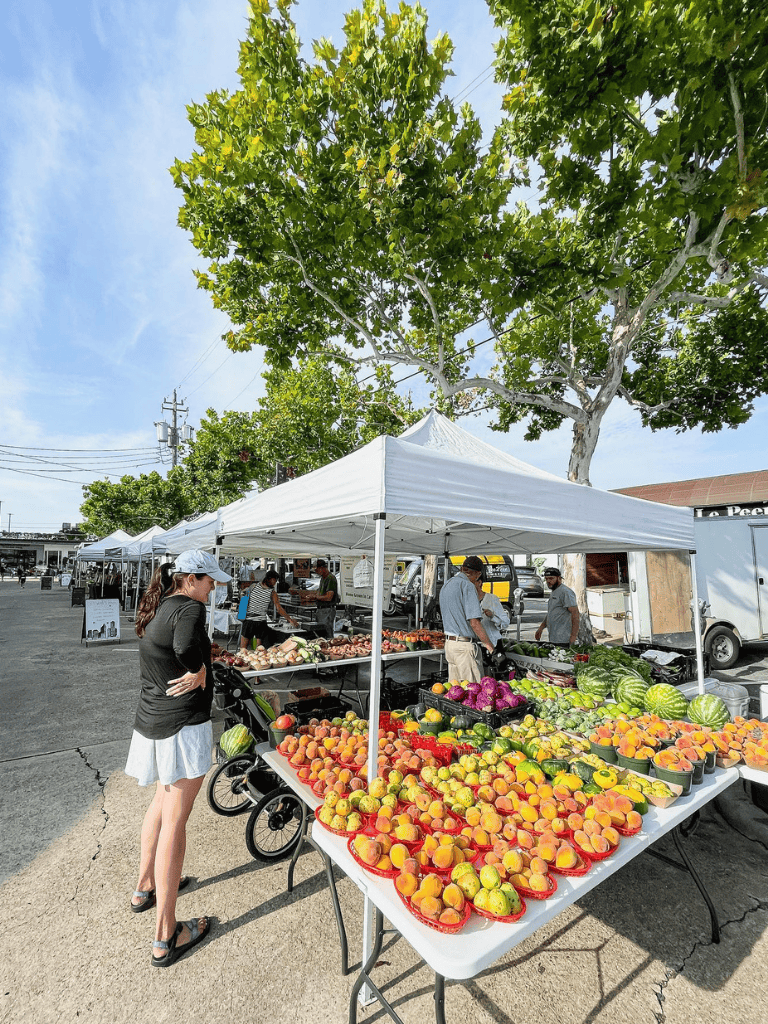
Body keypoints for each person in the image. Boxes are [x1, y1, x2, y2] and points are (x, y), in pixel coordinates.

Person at [125, 548, 232, 967]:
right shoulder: (190, 608)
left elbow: (170, 647)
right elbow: (185, 645)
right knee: (175, 821)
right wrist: (200, 668)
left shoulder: (160, 605)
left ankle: (144, 886)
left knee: (160, 802)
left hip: (152, 720)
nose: (213, 588)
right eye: (209, 581)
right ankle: (165, 933)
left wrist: (203, 655)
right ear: (190, 579)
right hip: (182, 725)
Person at [438, 555, 495, 683]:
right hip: (464, 648)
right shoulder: (467, 586)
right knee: (472, 690)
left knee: (455, 689)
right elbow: (474, 623)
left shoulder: (447, 584)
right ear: (478, 574)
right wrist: (490, 646)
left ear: (462, 568)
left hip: (450, 646)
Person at [239, 569, 299, 651]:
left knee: (259, 650)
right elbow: (244, 597)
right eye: (274, 580)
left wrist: (289, 619)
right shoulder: (253, 586)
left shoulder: (272, 592)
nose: (275, 583)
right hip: (249, 620)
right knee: (243, 649)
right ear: (268, 578)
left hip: (261, 622)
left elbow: (279, 608)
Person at [535, 566, 579, 647]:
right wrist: (541, 628)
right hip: (553, 637)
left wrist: (573, 636)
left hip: (564, 638)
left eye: (551, 578)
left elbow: (575, 614)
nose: (548, 581)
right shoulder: (554, 591)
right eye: (546, 579)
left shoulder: (566, 592)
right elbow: (551, 612)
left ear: (559, 578)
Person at [473, 576, 510, 649]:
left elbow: (505, 623)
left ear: (479, 583)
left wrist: (493, 617)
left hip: (493, 644)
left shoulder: (492, 599)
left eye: (472, 582)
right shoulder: (467, 601)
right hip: (475, 646)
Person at [314, 559, 339, 639]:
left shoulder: (330, 578)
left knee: (327, 633)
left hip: (327, 610)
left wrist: (316, 597)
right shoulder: (323, 578)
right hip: (322, 610)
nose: (316, 572)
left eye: (317, 570)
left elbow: (328, 597)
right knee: (321, 633)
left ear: (322, 568)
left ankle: (329, 644)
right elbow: (320, 592)